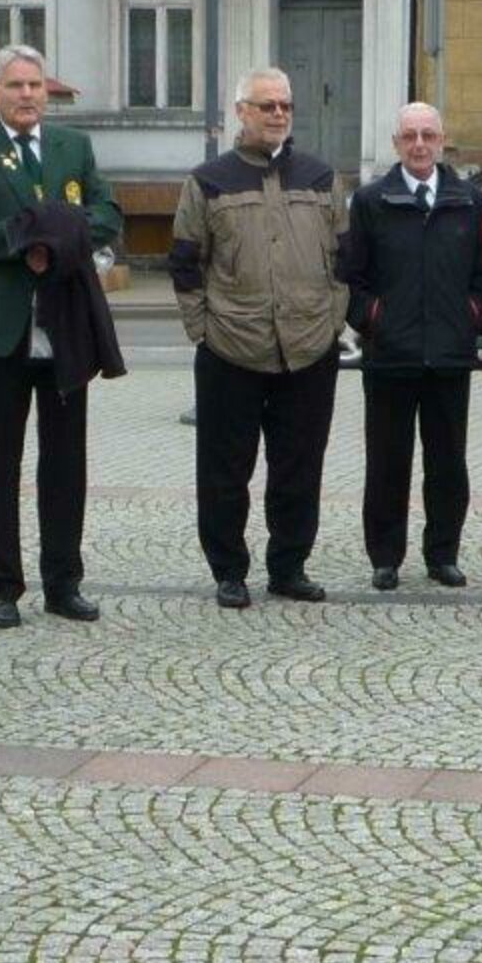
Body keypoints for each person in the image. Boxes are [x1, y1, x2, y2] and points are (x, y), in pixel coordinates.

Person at [0, 44, 123, 629]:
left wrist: (58, 238)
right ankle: (3, 586)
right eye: (15, 86)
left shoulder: (74, 148)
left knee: (66, 464)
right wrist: (26, 239)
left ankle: (63, 582)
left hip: (66, 328)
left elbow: (105, 213)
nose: (26, 96)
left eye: (35, 85)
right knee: (2, 464)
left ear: (47, 92)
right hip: (4, 333)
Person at [169, 66, 349, 609]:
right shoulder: (208, 181)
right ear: (240, 112)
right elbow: (184, 262)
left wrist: (333, 321)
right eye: (265, 105)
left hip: (308, 348)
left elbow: (346, 259)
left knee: (299, 467)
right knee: (225, 470)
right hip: (231, 348)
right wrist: (202, 326)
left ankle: (289, 566)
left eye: (284, 106)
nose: (277, 115)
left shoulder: (321, 178)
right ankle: (229, 570)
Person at [337, 103, 482, 590]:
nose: (419, 144)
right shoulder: (370, 202)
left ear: (442, 139)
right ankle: (385, 557)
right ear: (396, 143)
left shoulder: (468, 200)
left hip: (450, 357)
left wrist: (473, 319)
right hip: (390, 356)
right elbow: (351, 279)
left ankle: (442, 554)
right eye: (409, 136)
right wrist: (374, 321)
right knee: (387, 462)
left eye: (428, 134)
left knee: (448, 464)